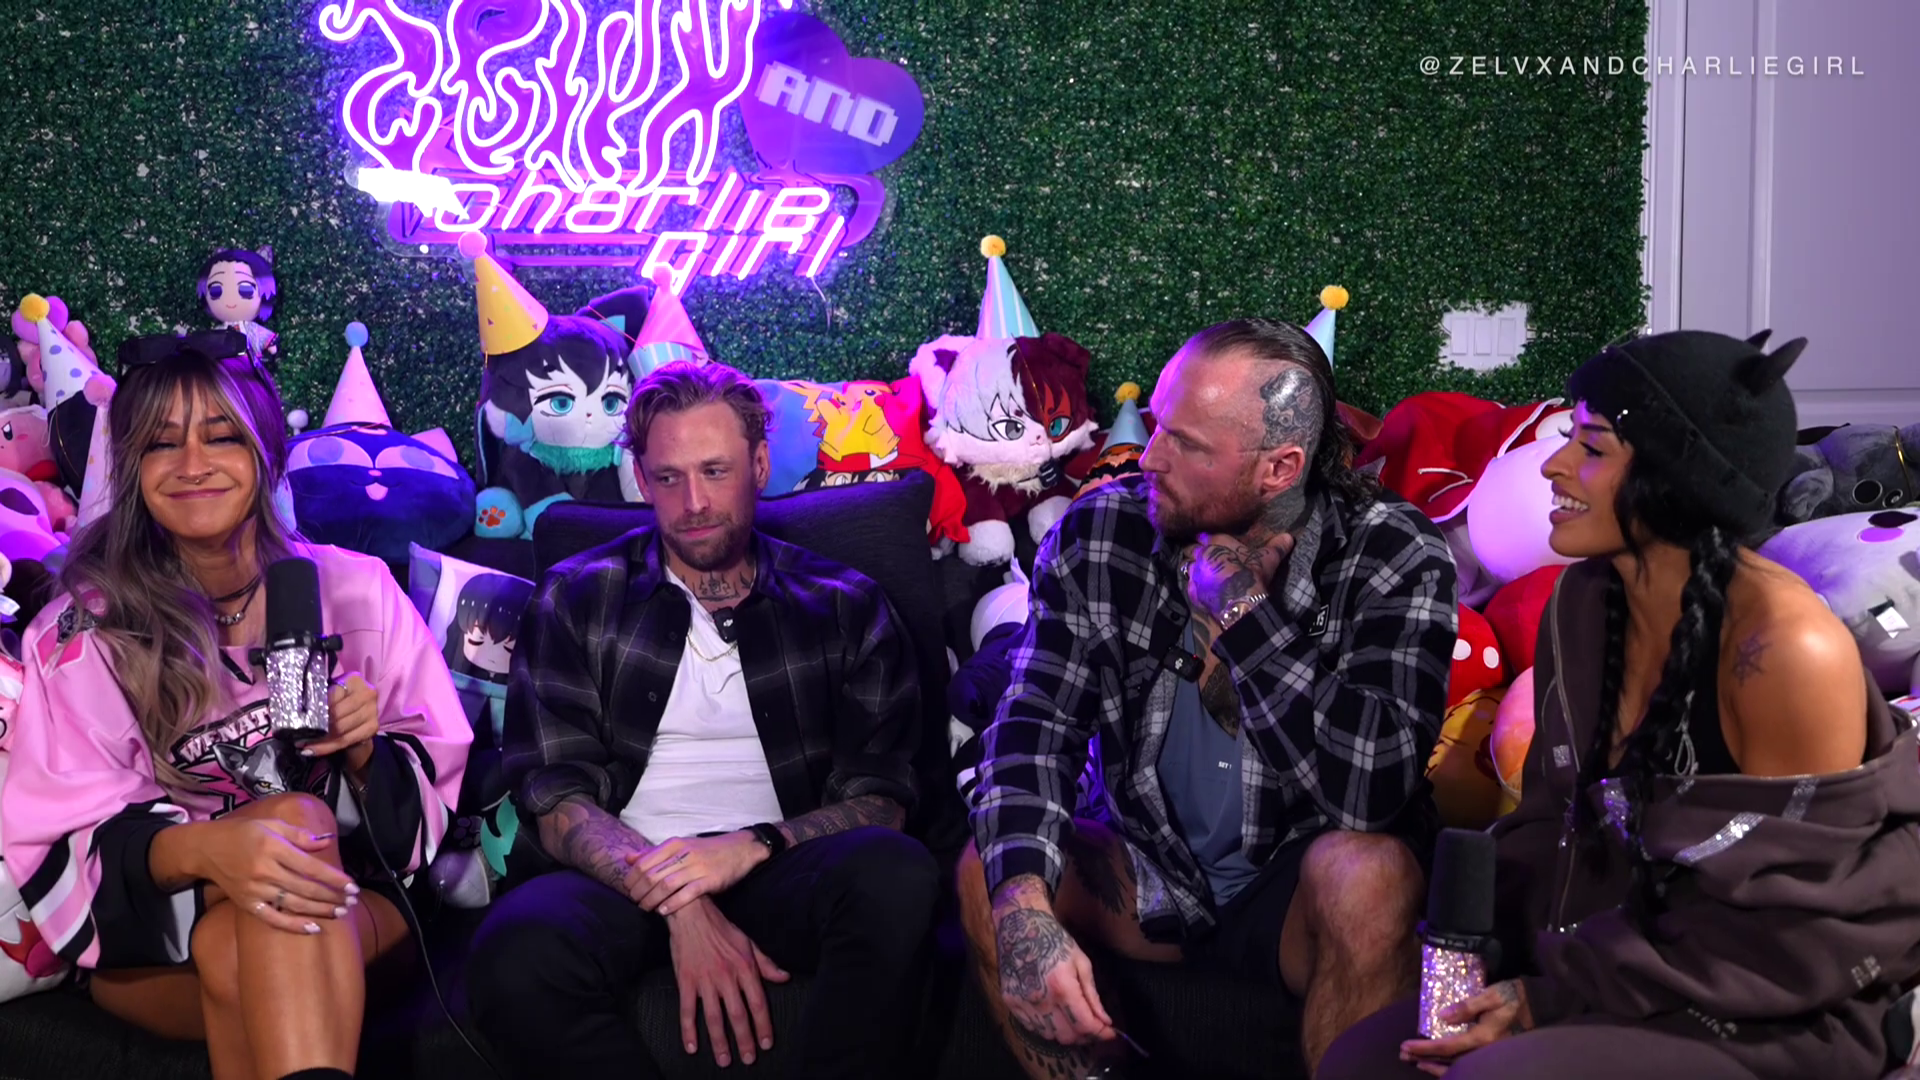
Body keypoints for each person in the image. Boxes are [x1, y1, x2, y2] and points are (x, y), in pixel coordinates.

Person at [1318, 330, 1920, 1080]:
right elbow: (1555, 827)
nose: (1553, 464)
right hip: (1607, 965)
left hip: (1767, 1007)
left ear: (1678, 477)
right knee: (1363, 1060)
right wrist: (1478, 956)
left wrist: (1546, 1003)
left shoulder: (1788, 648)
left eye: (1591, 446)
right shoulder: (1585, 599)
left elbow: (1784, 932)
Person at [959, 318, 1459, 1077]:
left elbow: (1372, 793)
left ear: (1280, 468)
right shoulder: (1104, 530)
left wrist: (1244, 616)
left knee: (1373, 877)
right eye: (1158, 424)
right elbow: (1036, 723)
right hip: (1152, 868)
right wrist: (1024, 902)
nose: (1148, 456)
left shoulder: (1390, 551)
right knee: (989, 872)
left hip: (1293, 883)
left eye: (1186, 444)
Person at [0, 330, 471, 1080]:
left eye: (221, 437)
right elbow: (64, 833)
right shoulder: (82, 631)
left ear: (266, 452)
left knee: (275, 872)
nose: (193, 465)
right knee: (253, 897)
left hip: (347, 904)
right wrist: (213, 851)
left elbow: (422, 816)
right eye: (162, 444)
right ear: (131, 466)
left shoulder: (356, 591)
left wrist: (362, 750)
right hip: (161, 943)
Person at [467, 361, 939, 1079]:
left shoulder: (845, 603)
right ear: (640, 478)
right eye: (669, 477)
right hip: (622, 875)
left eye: (716, 471)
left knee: (896, 876)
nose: (694, 503)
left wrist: (752, 846)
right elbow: (557, 803)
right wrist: (679, 900)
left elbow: (883, 800)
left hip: (780, 867)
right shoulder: (576, 597)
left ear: (759, 465)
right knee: (514, 953)